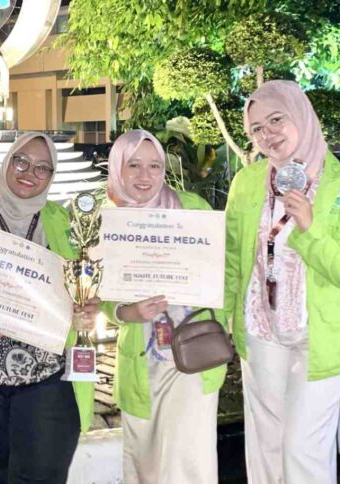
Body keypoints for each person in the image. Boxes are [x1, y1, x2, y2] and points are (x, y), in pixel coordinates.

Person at [225, 80, 340, 484]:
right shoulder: (247, 183)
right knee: (266, 443)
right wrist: (224, 318)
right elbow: (232, 259)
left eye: (277, 119)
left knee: (302, 448)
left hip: (318, 337)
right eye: (257, 128)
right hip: (261, 330)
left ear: (301, 116)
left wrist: (310, 228)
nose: (267, 135)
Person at [0, 132, 99, 484]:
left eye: (43, 167)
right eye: (21, 161)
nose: (29, 173)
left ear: (52, 176)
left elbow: (90, 287)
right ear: (7, 162)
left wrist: (87, 308)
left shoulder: (68, 224)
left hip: (48, 386)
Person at [101, 129, 226, 483]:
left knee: (188, 462)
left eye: (154, 165)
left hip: (193, 352)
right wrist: (126, 312)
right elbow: (99, 293)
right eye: (133, 165)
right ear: (118, 168)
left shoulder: (193, 208)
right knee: (145, 463)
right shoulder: (110, 219)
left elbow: (223, 269)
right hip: (143, 359)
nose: (145, 175)